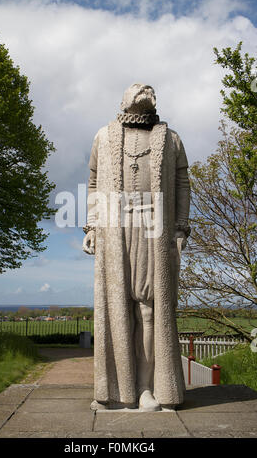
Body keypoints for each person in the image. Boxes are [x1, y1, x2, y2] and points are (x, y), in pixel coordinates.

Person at [83, 83, 190, 411]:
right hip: (115, 228)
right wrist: (92, 225)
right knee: (118, 307)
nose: (143, 89)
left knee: (147, 308)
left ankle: (145, 389)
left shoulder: (170, 139)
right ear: (123, 100)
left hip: (153, 230)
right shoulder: (104, 135)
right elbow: (91, 182)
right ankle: (117, 390)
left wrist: (180, 227)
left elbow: (183, 184)